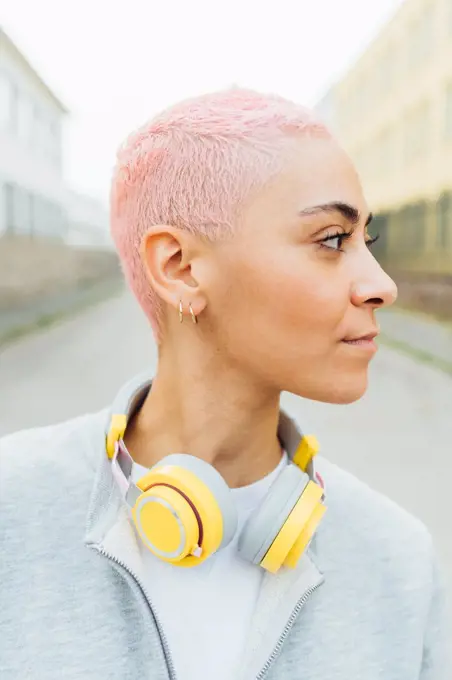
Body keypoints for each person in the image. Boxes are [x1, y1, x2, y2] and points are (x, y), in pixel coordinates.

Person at [0, 88, 448, 680]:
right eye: (332, 240)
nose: (381, 285)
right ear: (179, 268)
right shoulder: (13, 510)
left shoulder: (398, 559)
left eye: (367, 240)